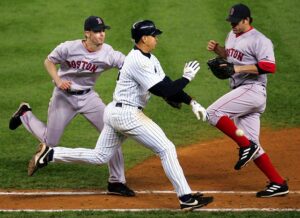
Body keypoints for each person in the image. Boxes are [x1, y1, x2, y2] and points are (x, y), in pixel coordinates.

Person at [26, 19, 213, 210]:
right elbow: (163, 91)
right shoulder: (136, 60)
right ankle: (186, 198)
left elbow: (167, 84)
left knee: (100, 156)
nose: (157, 38)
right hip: (128, 115)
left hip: (115, 112)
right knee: (166, 149)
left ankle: (50, 154)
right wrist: (187, 78)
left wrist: (191, 101)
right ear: (144, 38)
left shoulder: (151, 59)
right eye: (154, 35)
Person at [9, 15, 135, 197]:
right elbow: (49, 61)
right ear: (87, 33)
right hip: (63, 97)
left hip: (89, 98)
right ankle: (24, 114)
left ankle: (116, 182)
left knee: (112, 133)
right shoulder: (68, 47)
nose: (102, 35)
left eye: (103, 31)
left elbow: (128, 65)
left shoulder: (108, 53)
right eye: (97, 31)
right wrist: (58, 80)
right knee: (50, 142)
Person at [206, 3, 289, 197]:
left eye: (236, 22)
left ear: (247, 20)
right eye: (231, 22)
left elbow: (269, 66)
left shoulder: (260, 40)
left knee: (213, 113)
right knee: (253, 143)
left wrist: (238, 70)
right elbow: (233, 57)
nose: (232, 25)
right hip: (242, 92)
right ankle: (278, 183)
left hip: (252, 90)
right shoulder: (232, 35)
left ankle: (245, 145)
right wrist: (219, 50)